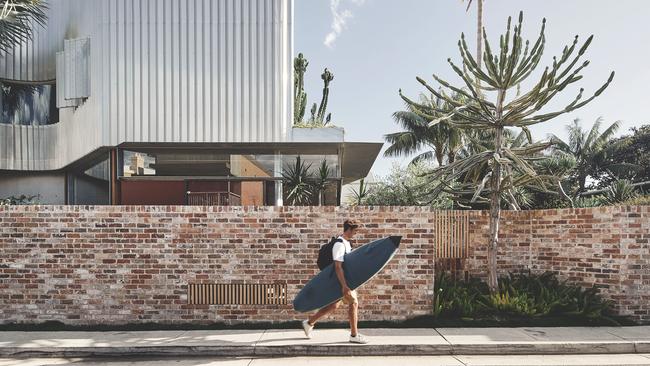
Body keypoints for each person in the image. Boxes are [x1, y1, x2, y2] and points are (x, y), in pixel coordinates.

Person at [301, 219, 368, 344]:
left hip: (344, 280)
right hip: (340, 280)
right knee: (353, 303)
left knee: (333, 305)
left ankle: (309, 322)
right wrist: (344, 286)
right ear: (349, 229)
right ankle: (354, 335)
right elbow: (338, 266)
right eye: (355, 231)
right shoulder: (339, 244)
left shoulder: (347, 243)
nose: (356, 233)